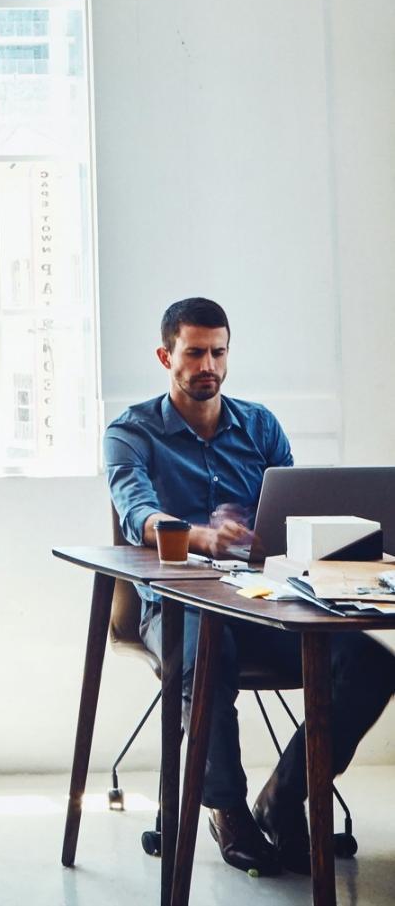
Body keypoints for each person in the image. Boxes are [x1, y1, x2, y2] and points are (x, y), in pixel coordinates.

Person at [107, 297, 395, 878]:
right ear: (167, 356)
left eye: (218, 351)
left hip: (262, 602)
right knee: (210, 656)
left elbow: (294, 514)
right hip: (178, 603)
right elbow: (138, 510)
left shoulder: (260, 425)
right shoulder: (132, 432)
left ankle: (284, 799)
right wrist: (199, 537)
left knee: (371, 665)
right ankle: (226, 809)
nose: (207, 364)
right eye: (193, 352)